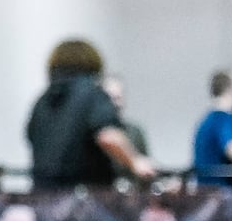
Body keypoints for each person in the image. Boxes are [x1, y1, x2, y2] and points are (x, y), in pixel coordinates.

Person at [25, 38, 155, 189]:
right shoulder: (92, 93)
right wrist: (136, 162)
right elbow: (107, 136)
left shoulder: (41, 101)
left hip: (43, 197)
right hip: (85, 199)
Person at [100, 73, 151, 181]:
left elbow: (145, 170)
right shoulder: (93, 134)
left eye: (118, 98)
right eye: (109, 98)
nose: (114, 104)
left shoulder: (135, 132)